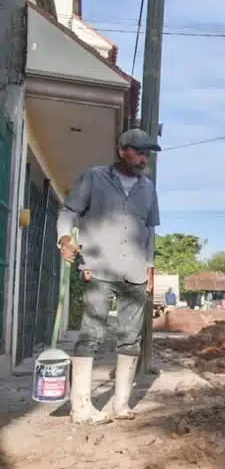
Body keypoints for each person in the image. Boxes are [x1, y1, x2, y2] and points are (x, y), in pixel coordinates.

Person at [57, 128, 161, 424]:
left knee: (130, 339)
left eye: (147, 153)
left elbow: (150, 229)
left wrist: (150, 268)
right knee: (91, 335)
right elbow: (68, 211)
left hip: (135, 273)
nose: (144, 158)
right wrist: (65, 239)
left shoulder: (148, 188)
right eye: (139, 152)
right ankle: (81, 406)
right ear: (122, 150)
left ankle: (121, 403)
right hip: (98, 268)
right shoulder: (95, 177)